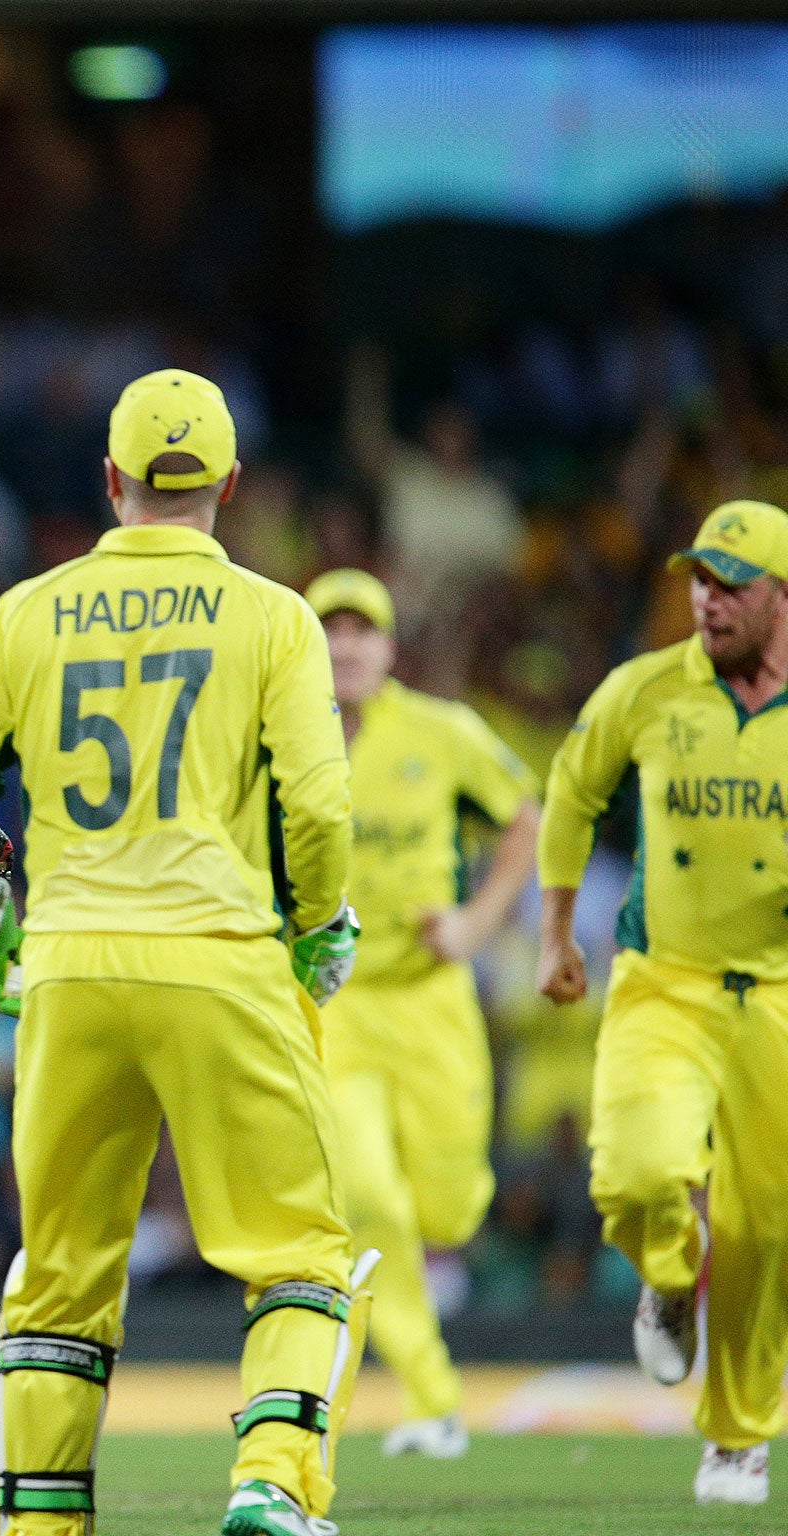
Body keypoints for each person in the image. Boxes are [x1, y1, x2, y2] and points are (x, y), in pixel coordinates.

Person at [0, 368, 372, 1536]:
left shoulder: (23, 613)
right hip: (218, 956)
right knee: (296, 1250)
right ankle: (270, 1477)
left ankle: (39, 1524)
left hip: (67, 967)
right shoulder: (275, 618)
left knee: (61, 1269)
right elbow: (316, 808)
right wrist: (317, 923)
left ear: (109, 480)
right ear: (229, 483)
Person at [538, 499, 788, 1508]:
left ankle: (735, 1438)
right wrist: (556, 934)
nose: (705, 599)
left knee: (765, 1230)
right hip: (662, 981)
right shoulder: (642, 690)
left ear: (780, 595)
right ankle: (666, 1269)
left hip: (774, 992)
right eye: (697, 578)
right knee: (637, 1176)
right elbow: (568, 790)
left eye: (729, 583)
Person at [306, 569, 540, 1459]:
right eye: (332, 630)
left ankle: (445, 1234)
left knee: (445, 1212)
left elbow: (527, 820)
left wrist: (478, 923)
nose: (348, 646)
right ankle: (433, 1394)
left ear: (390, 648)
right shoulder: (278, 740)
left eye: (364, 631)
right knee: (365, 1195)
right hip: (336, 1005)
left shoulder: (442, 734)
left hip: (434, 1001)